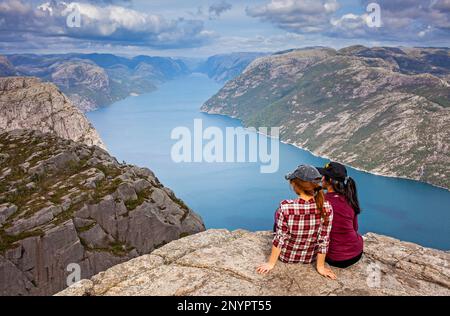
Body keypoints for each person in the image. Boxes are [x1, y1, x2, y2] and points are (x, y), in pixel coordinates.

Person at [256, 165, 336, 279]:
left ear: (295, 185)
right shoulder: (327, 208)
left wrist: (270, 264)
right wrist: (320, 267)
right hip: (309, 258)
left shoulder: (285, 207)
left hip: (287, 256)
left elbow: (280, 237)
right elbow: (324, 239)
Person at [317, 162, 364, 268]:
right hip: (356, 253)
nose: (321, 178)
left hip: (334, 257)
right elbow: (355, 228)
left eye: (323, 176)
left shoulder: (321, 201)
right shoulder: (349, 198)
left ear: (329, 180)